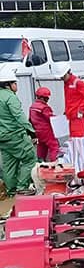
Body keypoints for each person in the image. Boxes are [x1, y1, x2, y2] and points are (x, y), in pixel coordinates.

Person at [0, 63, 37, 197]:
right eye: (15, 83)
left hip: (3, 138)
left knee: (9, 165)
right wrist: (31, 131)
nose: (17, 85)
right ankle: (22, 188)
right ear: (8, 84)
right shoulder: (10, 97)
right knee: (30, 158)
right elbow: (19, 116)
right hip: (15, 135)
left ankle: (11, 193)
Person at [54, 62, 84, 137]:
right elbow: (71, 99)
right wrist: (67, 111)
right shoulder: (67, 83)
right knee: (74, 139)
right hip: (72, 116)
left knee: (77, 140)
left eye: (63, 76)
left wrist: (81, 108)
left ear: (68, 72)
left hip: (77, 117)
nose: (62, 78)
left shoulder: (77, 82)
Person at [29, 87, 59, 162]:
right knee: (54, 146)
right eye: (47, 98)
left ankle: (40, 162)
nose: (47, 100)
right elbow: (51, 118)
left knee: (42, 146)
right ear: (42, 98)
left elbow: (30, 119)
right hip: (47, 131)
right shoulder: (44, 108)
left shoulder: (32, 107)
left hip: (38, 131)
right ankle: (54, 163)